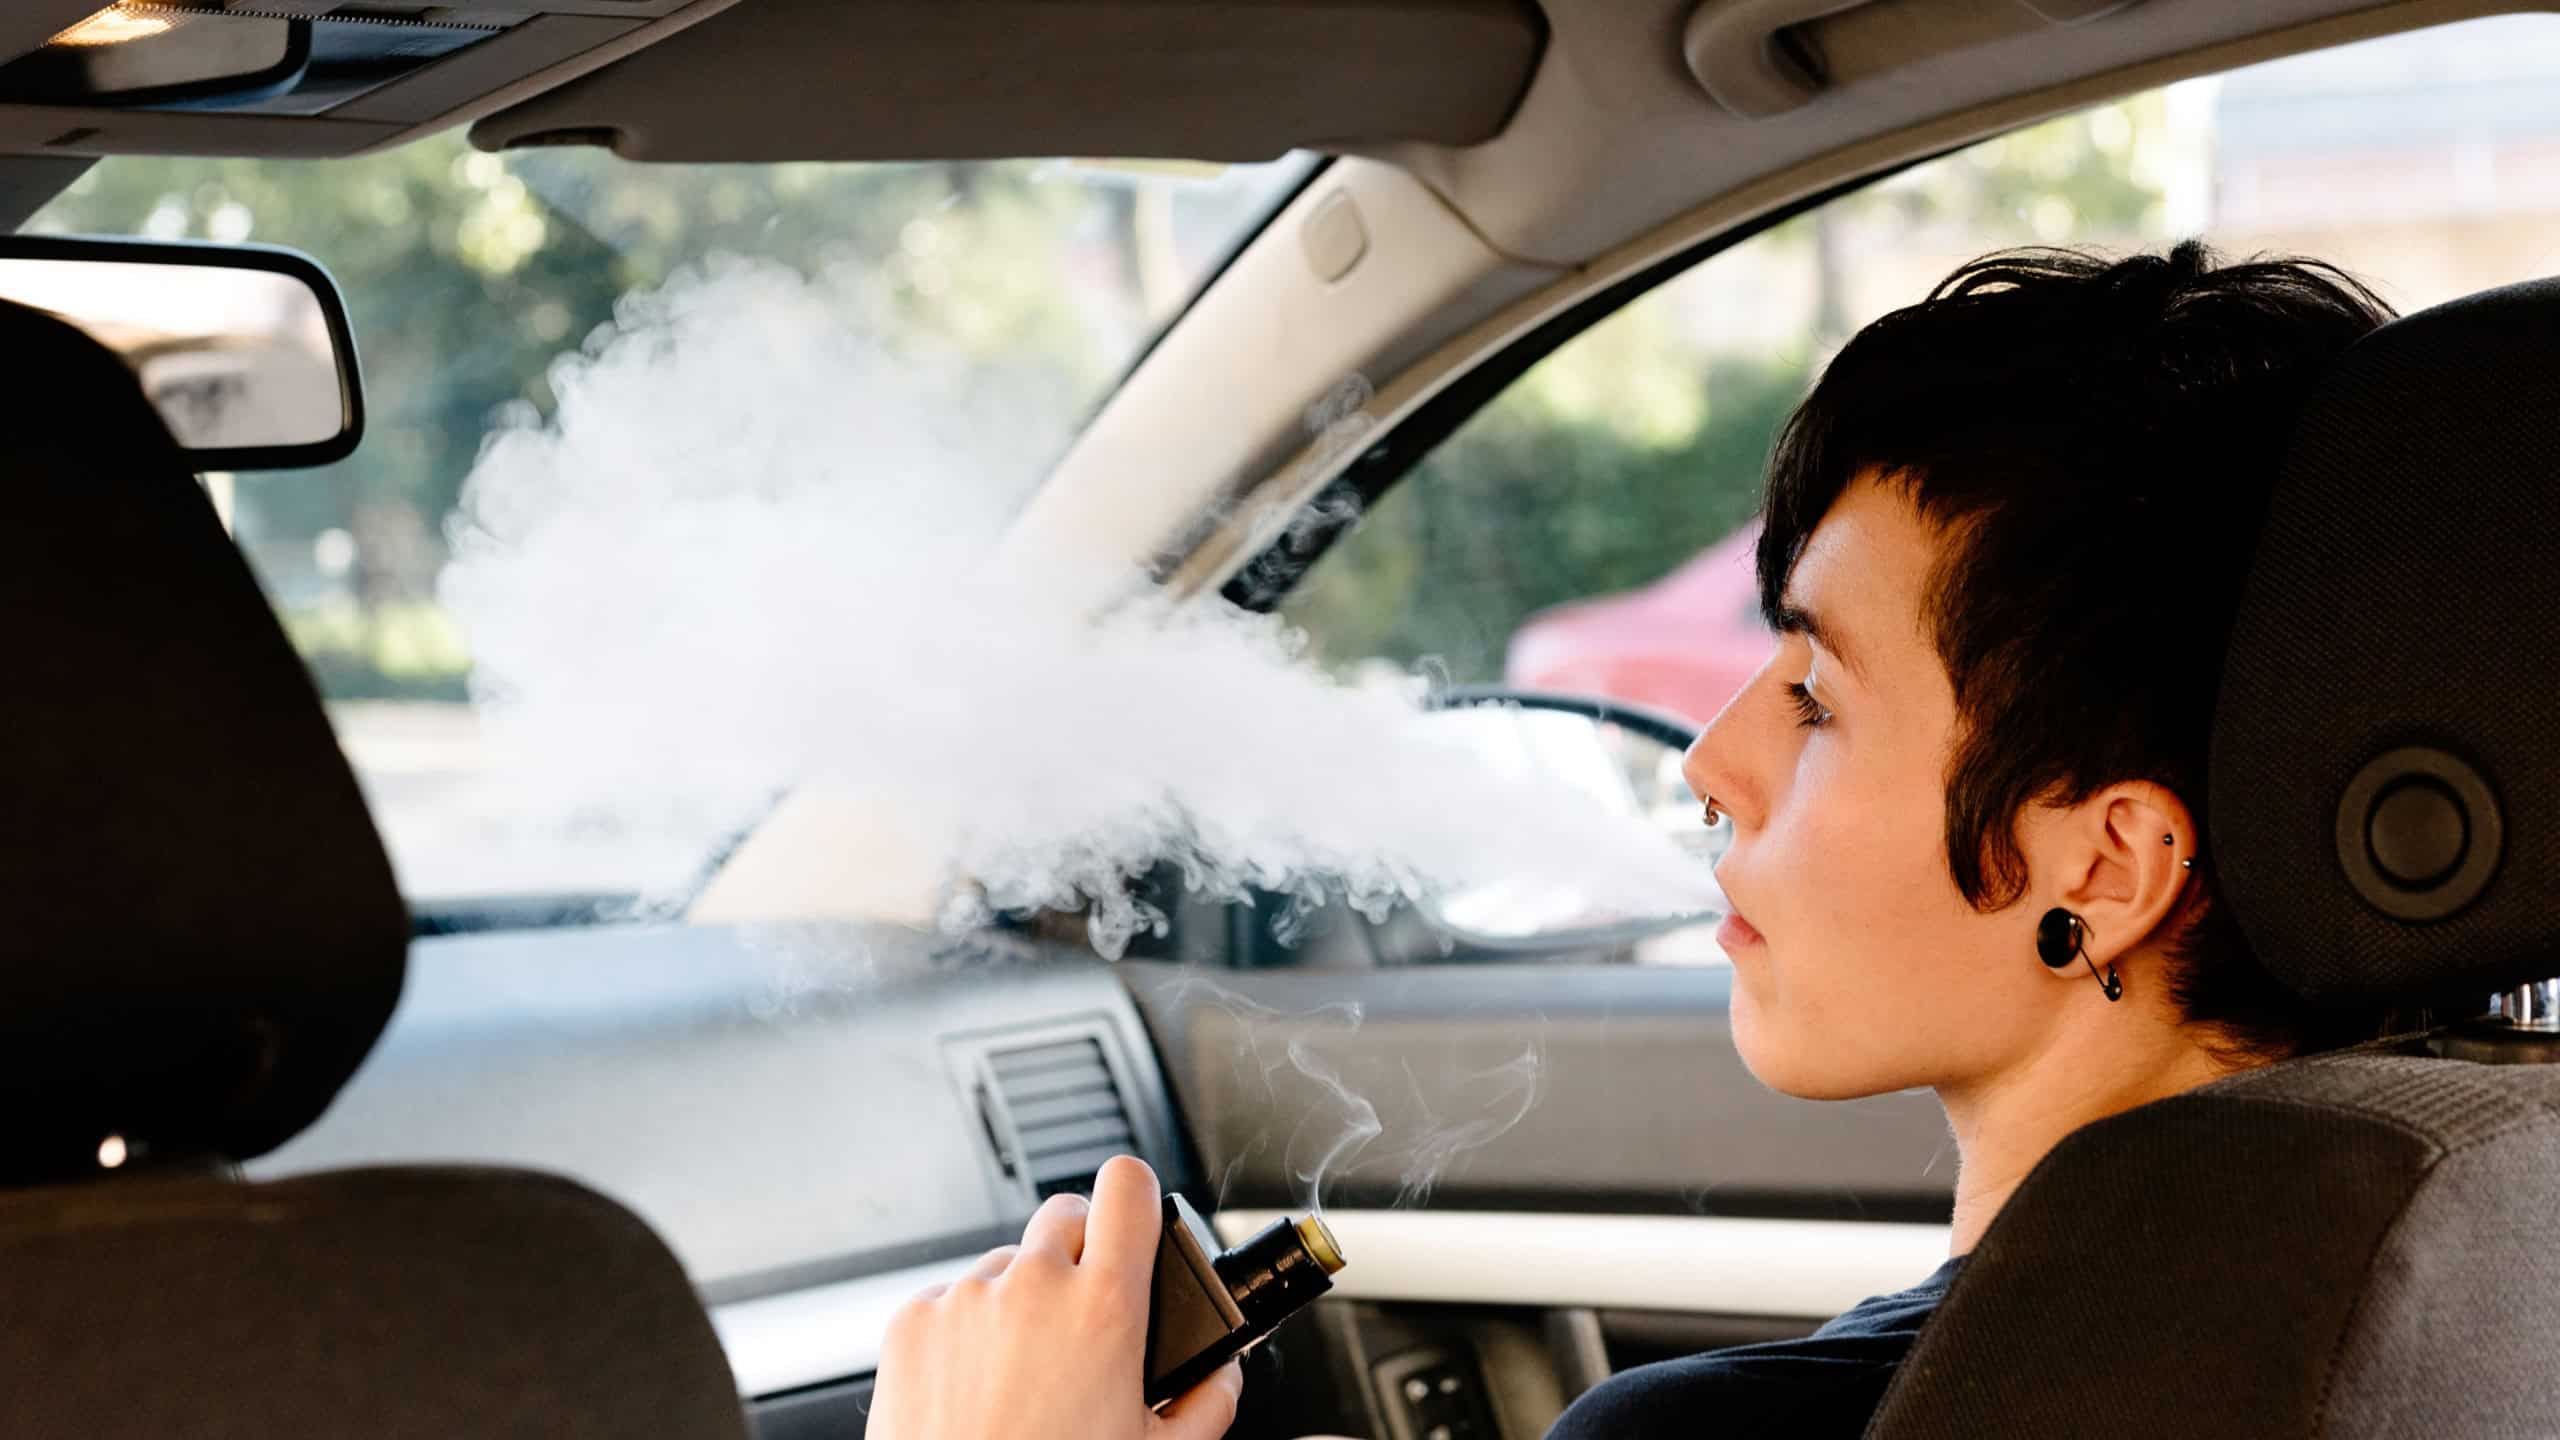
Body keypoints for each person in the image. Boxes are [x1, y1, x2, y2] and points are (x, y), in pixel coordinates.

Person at [861, 241, 2401, 1440]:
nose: (1714, 766)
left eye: (1815, 695)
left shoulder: (1739, 1438)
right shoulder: (2473, 1262)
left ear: (2108, 868)